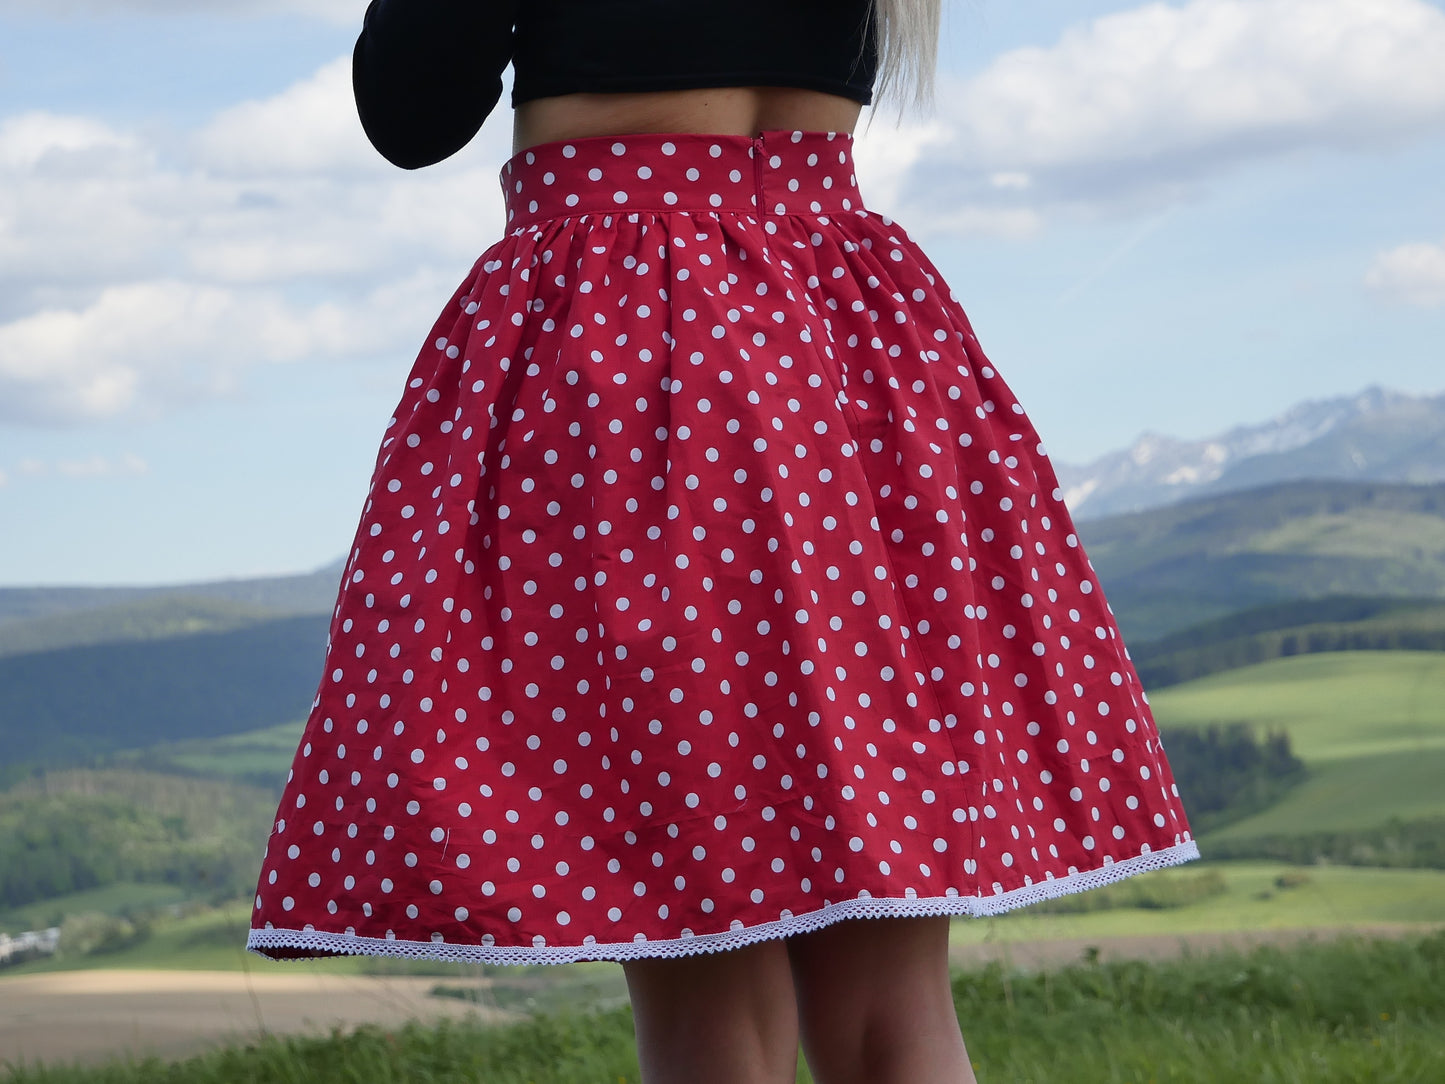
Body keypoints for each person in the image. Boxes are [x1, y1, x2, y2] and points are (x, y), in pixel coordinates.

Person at [246, 2, 1200, 1081]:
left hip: (645, 361)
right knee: (891, 1007)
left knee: (712, 1012)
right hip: (850, 351)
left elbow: (412, 109)